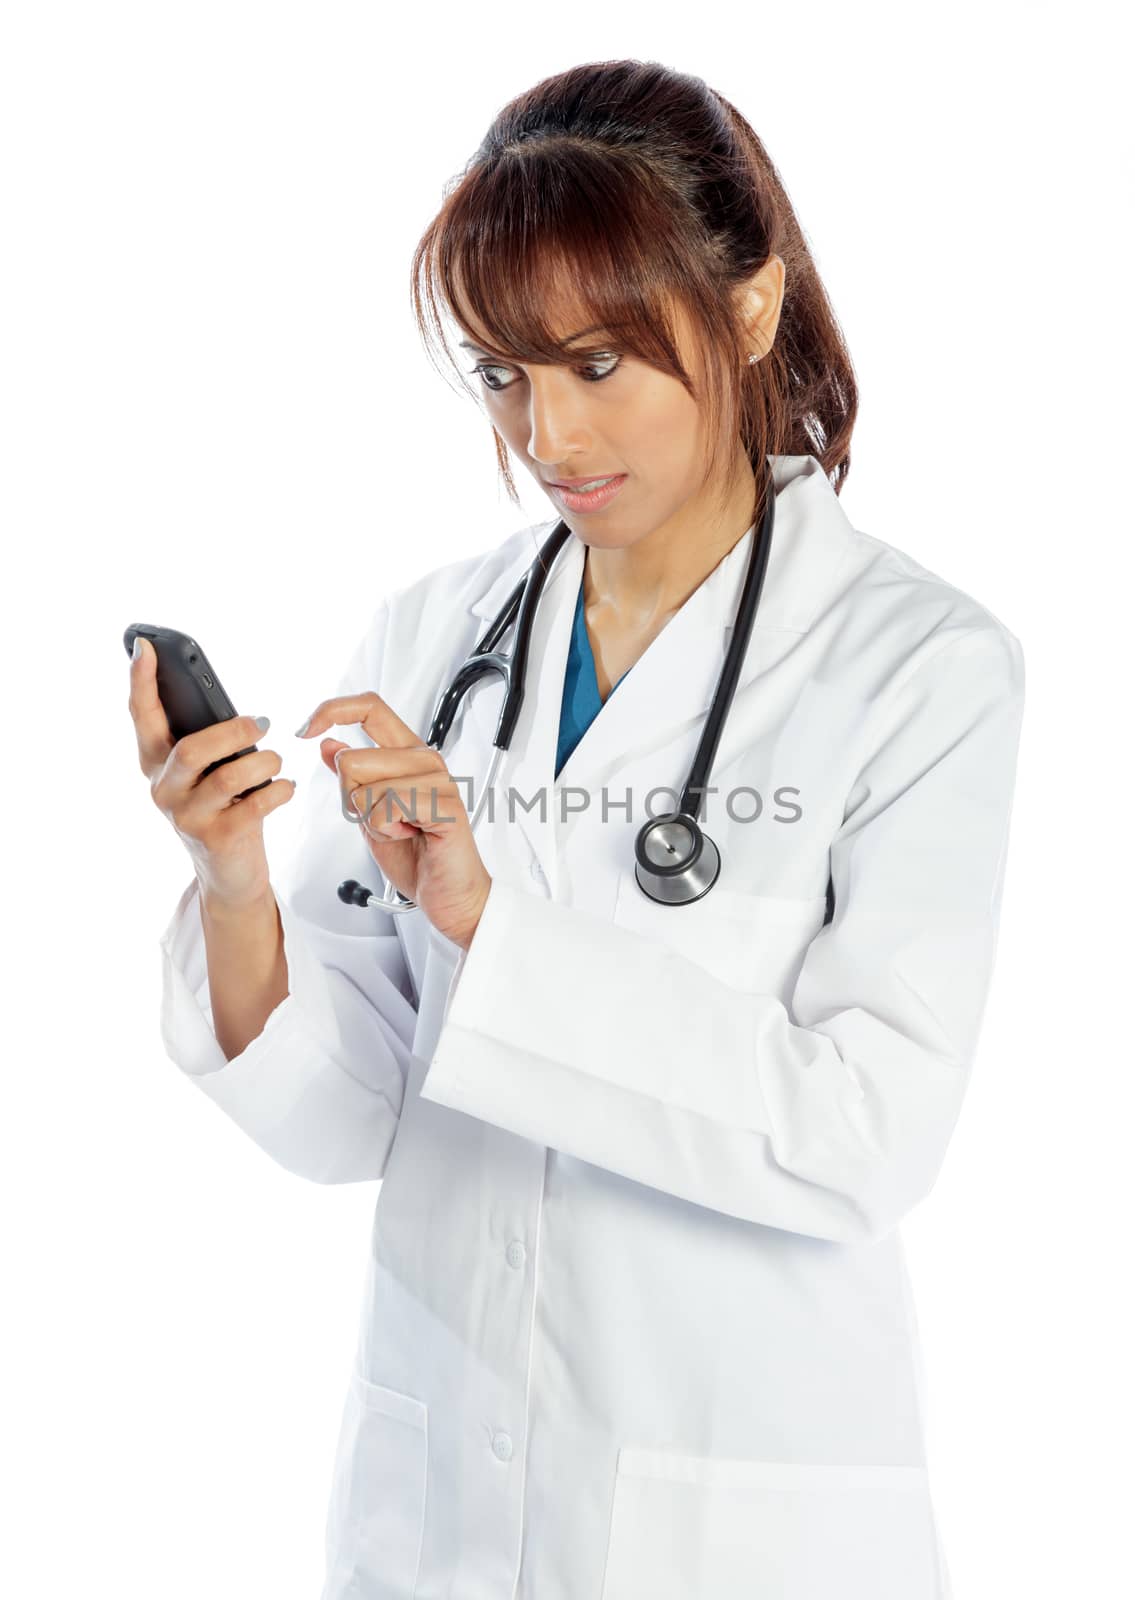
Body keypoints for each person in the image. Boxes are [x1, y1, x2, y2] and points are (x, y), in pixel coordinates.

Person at [128, 59, 1025, 1600]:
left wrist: (489, 923)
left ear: (749, 308)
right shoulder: (437, 633)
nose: (548, 435)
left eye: (599, 365)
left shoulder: (917, 664)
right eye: (501, 374)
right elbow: (354, 1122)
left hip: (740, 1511)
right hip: (437, 1510)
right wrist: (231, 886)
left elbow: (865, 1136)